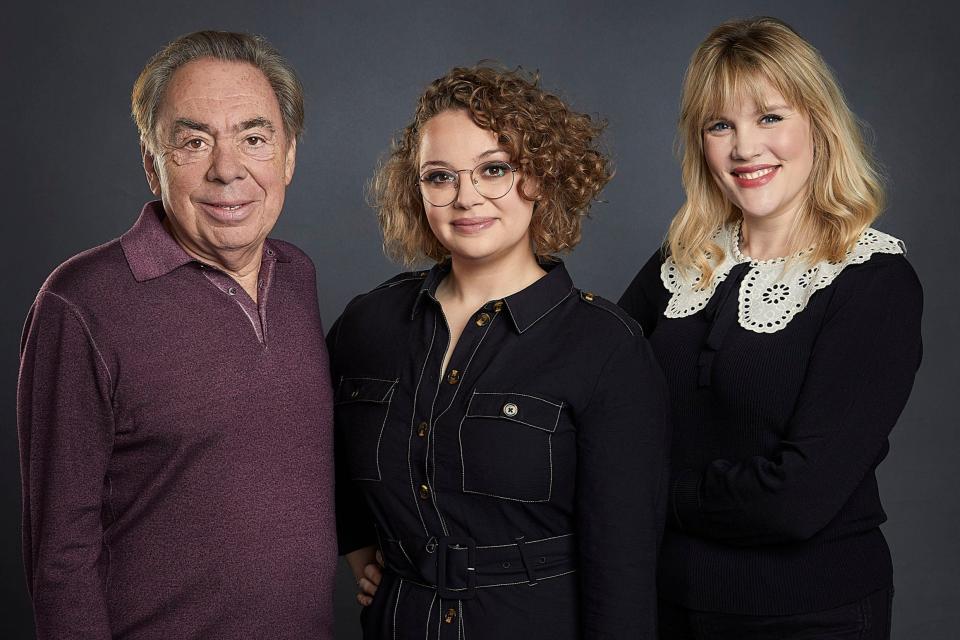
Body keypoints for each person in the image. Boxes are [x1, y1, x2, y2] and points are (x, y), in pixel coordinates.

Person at [329, 65, 669, 638]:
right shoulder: (369, 324)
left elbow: (624, 572)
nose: (467, 198)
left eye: (494, 170)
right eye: (440, 177)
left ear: (542, 176)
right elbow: (320, 457)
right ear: (416, 189)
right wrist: (363, 553)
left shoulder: (606, 347)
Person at [17, 31, 337, 638]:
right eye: (193, 142)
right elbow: (60, 555)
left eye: (254, 138)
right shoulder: (81, 302)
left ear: (288, 155)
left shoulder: (296, 275)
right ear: (151, 162)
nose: (227, 169)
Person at [618, 17, 922, 640]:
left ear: (819, 123)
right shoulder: (682, 261)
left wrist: (652, 495)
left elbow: (797, 499)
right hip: (659, 607)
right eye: (720, 125)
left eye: (771, 118)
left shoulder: (872, 279)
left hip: (809, 616)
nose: (745, 148)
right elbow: (579, 394)